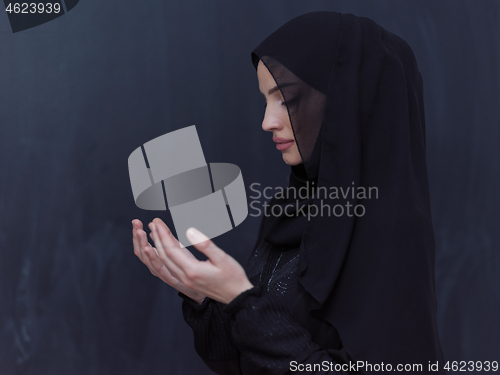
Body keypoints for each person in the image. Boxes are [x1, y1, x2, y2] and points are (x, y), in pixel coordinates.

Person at [132, 11, 446, 375]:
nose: (267, 121)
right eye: (266, 100)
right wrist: (204, 295)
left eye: (287, 99)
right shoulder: (289, 212)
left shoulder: (392, 232)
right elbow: (242, 361)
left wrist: (240, 298)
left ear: (344, 105)